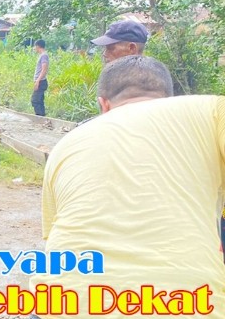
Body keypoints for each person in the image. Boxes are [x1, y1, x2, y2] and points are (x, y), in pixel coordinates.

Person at [32, 55, 225, 317]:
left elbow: (55, 241)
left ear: (103, 105)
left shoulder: (64, 147)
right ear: (170, 98)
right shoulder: (211, 111)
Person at [31, 39, 49, 116]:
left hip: (41, 81)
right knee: (40, 101)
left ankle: (39, 117)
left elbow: (44, 69)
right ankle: (42, 117)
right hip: (40, 81)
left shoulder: (44, 56)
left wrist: (38, 81)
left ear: (38, 46)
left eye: (35, 46)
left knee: (35, 100)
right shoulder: (42, 55)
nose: (34, 48)